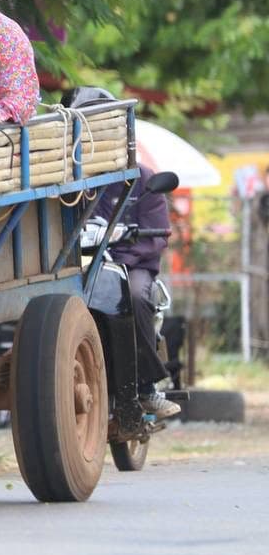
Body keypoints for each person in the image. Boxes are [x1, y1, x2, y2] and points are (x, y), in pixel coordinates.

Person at [92, 162, 180, 419]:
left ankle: (146, 386)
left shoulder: (143, 179)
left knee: (132, 295)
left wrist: (121, 258)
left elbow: (155, 236)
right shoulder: (79, 178)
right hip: (88, 264)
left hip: (134, 264)